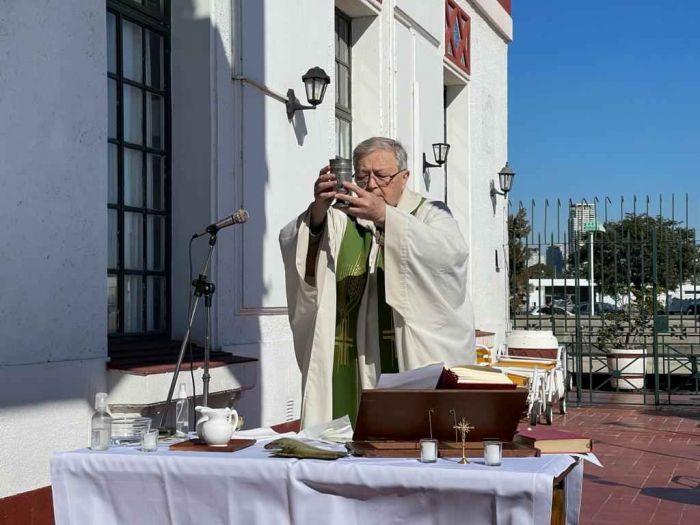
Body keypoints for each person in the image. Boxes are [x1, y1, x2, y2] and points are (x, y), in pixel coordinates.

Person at [279, 137, 475, 428]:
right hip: (349, 362)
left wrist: (387, 219)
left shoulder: (430, 214)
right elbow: (295, 244)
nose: (371, 185)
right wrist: (318, 211)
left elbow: (450, 257)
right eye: (362, 176)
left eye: (381, 176)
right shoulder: (341, 220)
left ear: (404, 177)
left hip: (405, 357)